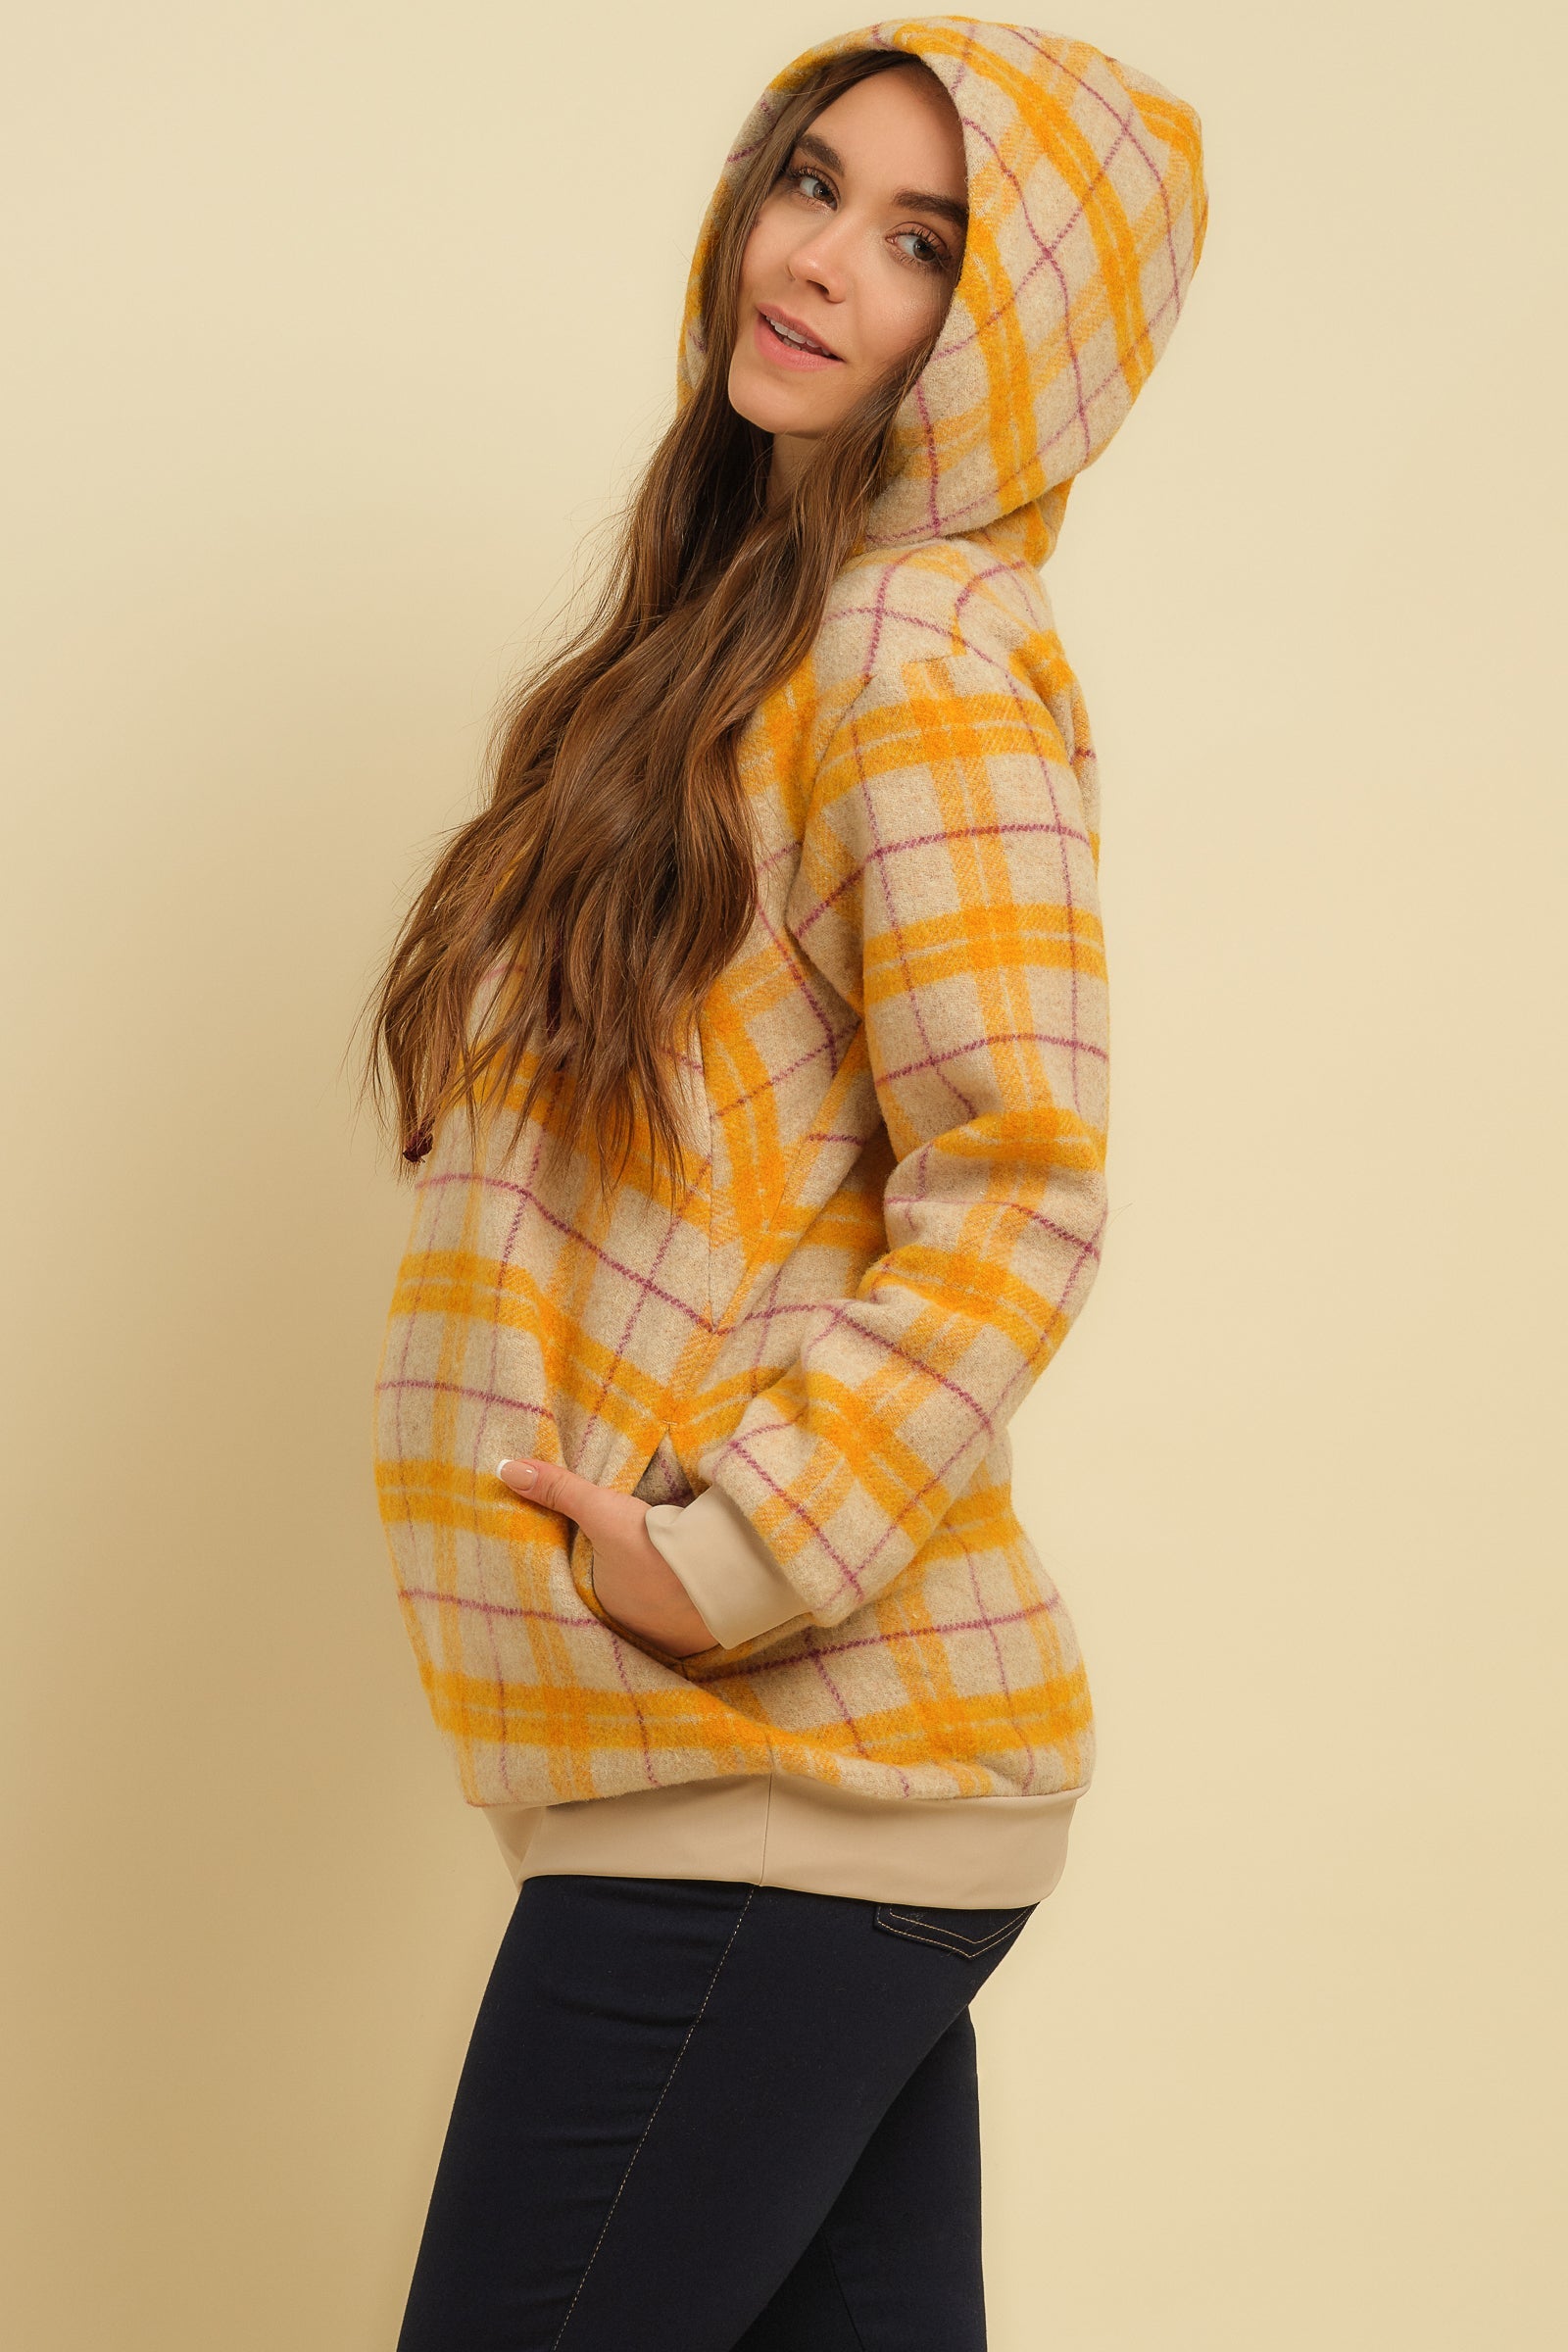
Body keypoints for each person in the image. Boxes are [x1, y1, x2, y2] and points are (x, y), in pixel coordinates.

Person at [359, 20, 1206, 2348]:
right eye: (809, 184)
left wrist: (733, 1544)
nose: (818, 260)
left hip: (779, 1782)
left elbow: (1018, 1176)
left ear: (1010, 338)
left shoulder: (912, 651)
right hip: (763, 1801)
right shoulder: (724, 648)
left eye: (920, 242)